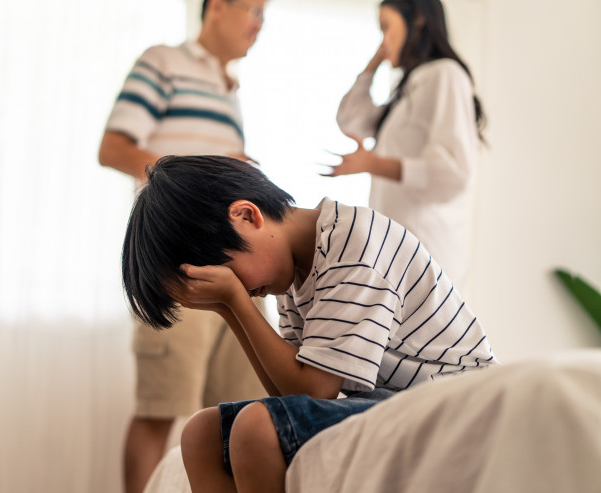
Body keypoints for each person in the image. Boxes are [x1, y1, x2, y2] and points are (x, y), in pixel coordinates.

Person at [122, 155, 498, 493]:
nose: (245, 291)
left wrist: (235, 300)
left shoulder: (354, 245)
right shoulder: (295, 272)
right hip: (390, 400)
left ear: (247, 216)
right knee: (200, 433)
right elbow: (287, 394)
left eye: (230, 277)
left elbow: (317, 390)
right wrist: (227, 308)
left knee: (256, 428)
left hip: (451, 401)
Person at [97, 1, 267, 492]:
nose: (259, 23)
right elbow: (113, 148)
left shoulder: (229, 87)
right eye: (254, 9)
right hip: (177, 262)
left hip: (236, 270)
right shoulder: (163, 61)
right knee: (160, 408)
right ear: (218, 8)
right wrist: (199, 182)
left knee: (243, 414)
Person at [327, 0, 486, 290]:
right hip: (400, 259)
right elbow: (350, 120)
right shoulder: (409, 87)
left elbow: (454, 175)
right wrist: (375, 61)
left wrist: (374, 164)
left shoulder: (445, 75)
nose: (383, 40)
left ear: (419, 20)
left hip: (427, 260)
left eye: (386, 27)